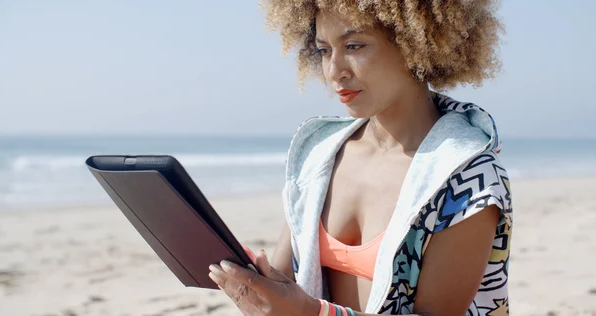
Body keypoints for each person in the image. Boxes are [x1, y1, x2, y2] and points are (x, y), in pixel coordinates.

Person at [208, 1, 513, 315]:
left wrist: (310, 312)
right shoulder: (319, 156)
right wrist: (256, 289)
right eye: (324, 50)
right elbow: (285, 281)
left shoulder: (468, 175)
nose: (334, 71)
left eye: (354, 46)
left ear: (417, 42)